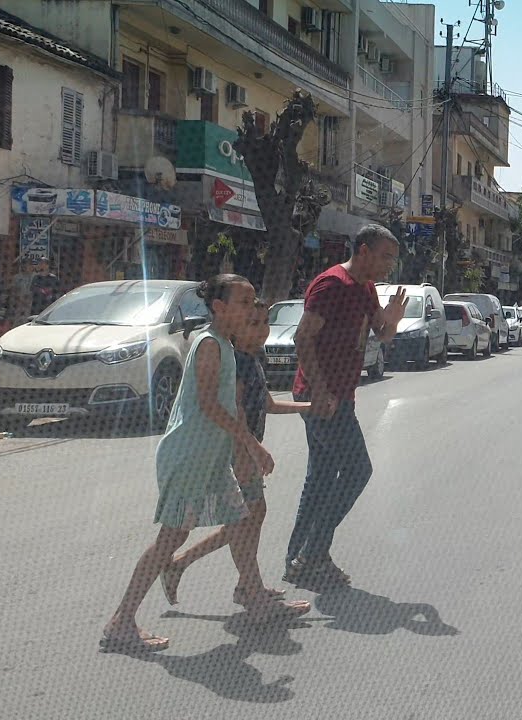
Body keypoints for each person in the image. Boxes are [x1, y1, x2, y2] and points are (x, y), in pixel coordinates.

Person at [102, 275, 307, 654]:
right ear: (219, 307)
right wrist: (251, 444)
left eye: (252, 302)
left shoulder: (225, 346)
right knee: (171, 537)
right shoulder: (210, 344)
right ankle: (122, 620)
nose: (250, 310)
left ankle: (255, 596)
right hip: (191, 453)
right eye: (244, 303)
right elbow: (211, 405)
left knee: (243, 519)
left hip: (209, 456)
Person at [163, 300, 313, 606]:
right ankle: (248, 588)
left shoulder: (253, 357)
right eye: (253, 323)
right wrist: (252, 450)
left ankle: (200, 570)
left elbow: (267, 404)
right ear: (236, 328)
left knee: (246, 518)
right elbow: (238, 410)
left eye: (264, 322)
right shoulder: (236, 361)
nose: (262, 330)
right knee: (246, 519)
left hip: (246, 449)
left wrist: (310, 408)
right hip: (237, 451)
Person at [284, 225, 406, 589]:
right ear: (364, 250)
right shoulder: (331, 285)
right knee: (357, 471)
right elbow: (302, 338)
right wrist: (319, 392)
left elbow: (379, 336)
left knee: (320, 479)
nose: (389, 267)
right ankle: (313, 553)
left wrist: (393, 322)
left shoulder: (365, 289)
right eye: (385, 257)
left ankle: (298, 560)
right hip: (320, 397)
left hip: (340, 397)